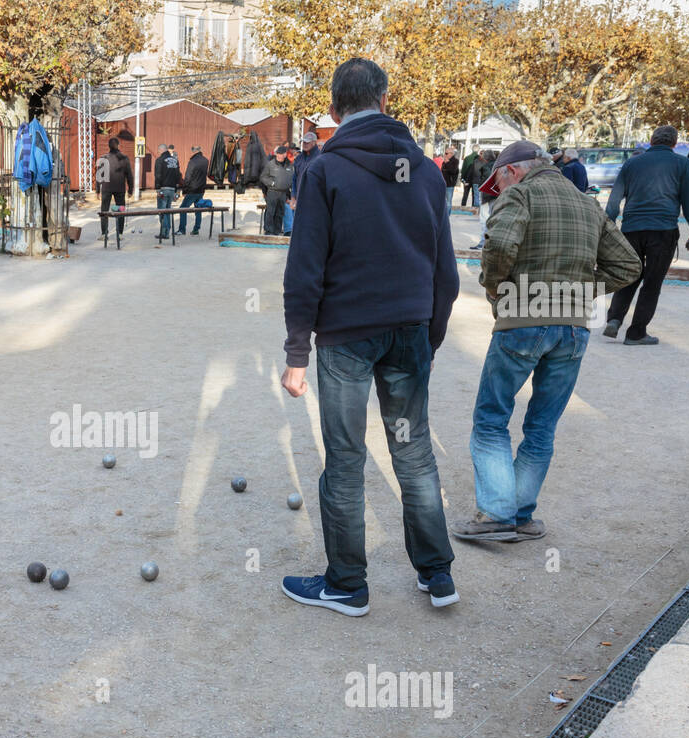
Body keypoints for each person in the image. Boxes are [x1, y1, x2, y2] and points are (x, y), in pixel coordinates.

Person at [280, 57, 460, 617]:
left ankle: (346, 584)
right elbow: (445, 270)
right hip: (408, 330)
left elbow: (305, 266)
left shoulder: (325, 171)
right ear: (384, 100)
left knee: (345, 456)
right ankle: (437, 574)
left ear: (334, 110)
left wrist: (296, 352)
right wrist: (429, 334)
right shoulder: (427, 172)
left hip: (346, 338)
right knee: (413, 453)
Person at [453, 141, 640, 542]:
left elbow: (500, 246)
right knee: (542, 427)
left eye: (497, 182)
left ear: (512, 171)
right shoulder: (588, 204)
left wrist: (496, 292)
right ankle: (520, 515)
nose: (497, 191)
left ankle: (498, 515)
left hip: (522, 319)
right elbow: (628, 265)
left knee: (491, 420)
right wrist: (575, 291)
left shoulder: (520, 194)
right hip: (574, 327)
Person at [603, 124, 689, 345]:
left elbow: (614, 199)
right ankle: (636, 333)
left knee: (629, 275)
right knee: (652, 282)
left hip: (631, 229)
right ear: (675, 143)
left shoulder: (631, 163)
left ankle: (615, 319)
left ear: (651, 140)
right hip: (663, 230)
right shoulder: (682, 163)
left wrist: (607, 224)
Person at [98, 137, 132, 245]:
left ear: (108, 146)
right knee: (120, 209)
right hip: (119, 188)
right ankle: (120, 233)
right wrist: (130, 189)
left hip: (107, 188)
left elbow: (99, 175)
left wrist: (97, 190)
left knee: (105, 210)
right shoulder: (124, 158)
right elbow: (129, 175)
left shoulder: (103, 158)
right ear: (118, 145)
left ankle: (104, 234)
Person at [177, 145, 209, 236]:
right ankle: (196, 229)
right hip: (201, 189)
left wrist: (185, 190)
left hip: (192, 190)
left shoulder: (192, 161)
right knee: (198, 208)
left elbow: (188, 177)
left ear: (193, 151)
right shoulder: (205, 161)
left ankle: (182, 229)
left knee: (182, 209)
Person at [260, 145, 292, 235]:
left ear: (285, 154)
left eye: (281, 154)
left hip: (283, 193)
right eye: (278, 153)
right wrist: (272, 183)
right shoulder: (270, 164)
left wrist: (290, 194)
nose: (279, 155)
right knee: (271, 211)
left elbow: (292, 179)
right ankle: (268, 230)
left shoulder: (289, 165)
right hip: (272, 192)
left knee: (280, 213)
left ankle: (277, 231)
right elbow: (263, 177)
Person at [153, 144, 181, 242]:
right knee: (168, 211)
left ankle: (164, 232)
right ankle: (166, 231)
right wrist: (177, 190)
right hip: (172, 190)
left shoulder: (159, 160)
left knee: (162, 211)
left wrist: (157, 189)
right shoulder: (175, 160)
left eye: (158, 150)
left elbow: (158, 175)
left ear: (161, 150)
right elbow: (178, 175)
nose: (157, 152)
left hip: (163, 189)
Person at [290, 131, 318, 214]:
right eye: (303, 142)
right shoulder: (299, 158)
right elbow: (294, 178)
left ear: (314, 143)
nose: (305, 144)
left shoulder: (320, 158)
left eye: (307, 142)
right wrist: (293, 196)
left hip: (314, 201)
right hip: (298, 199)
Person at [441, 145, 459, 212]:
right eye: (445, 153)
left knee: (448, 201)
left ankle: (447, 215)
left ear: (451, 154)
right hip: (443, 184)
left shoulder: (455, 161)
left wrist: (447, 162)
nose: (445, 154)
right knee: (442, 201)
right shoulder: (444, 161)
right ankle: (443, 215)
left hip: (450, 184)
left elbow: (453, 171)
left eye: (446, 153)